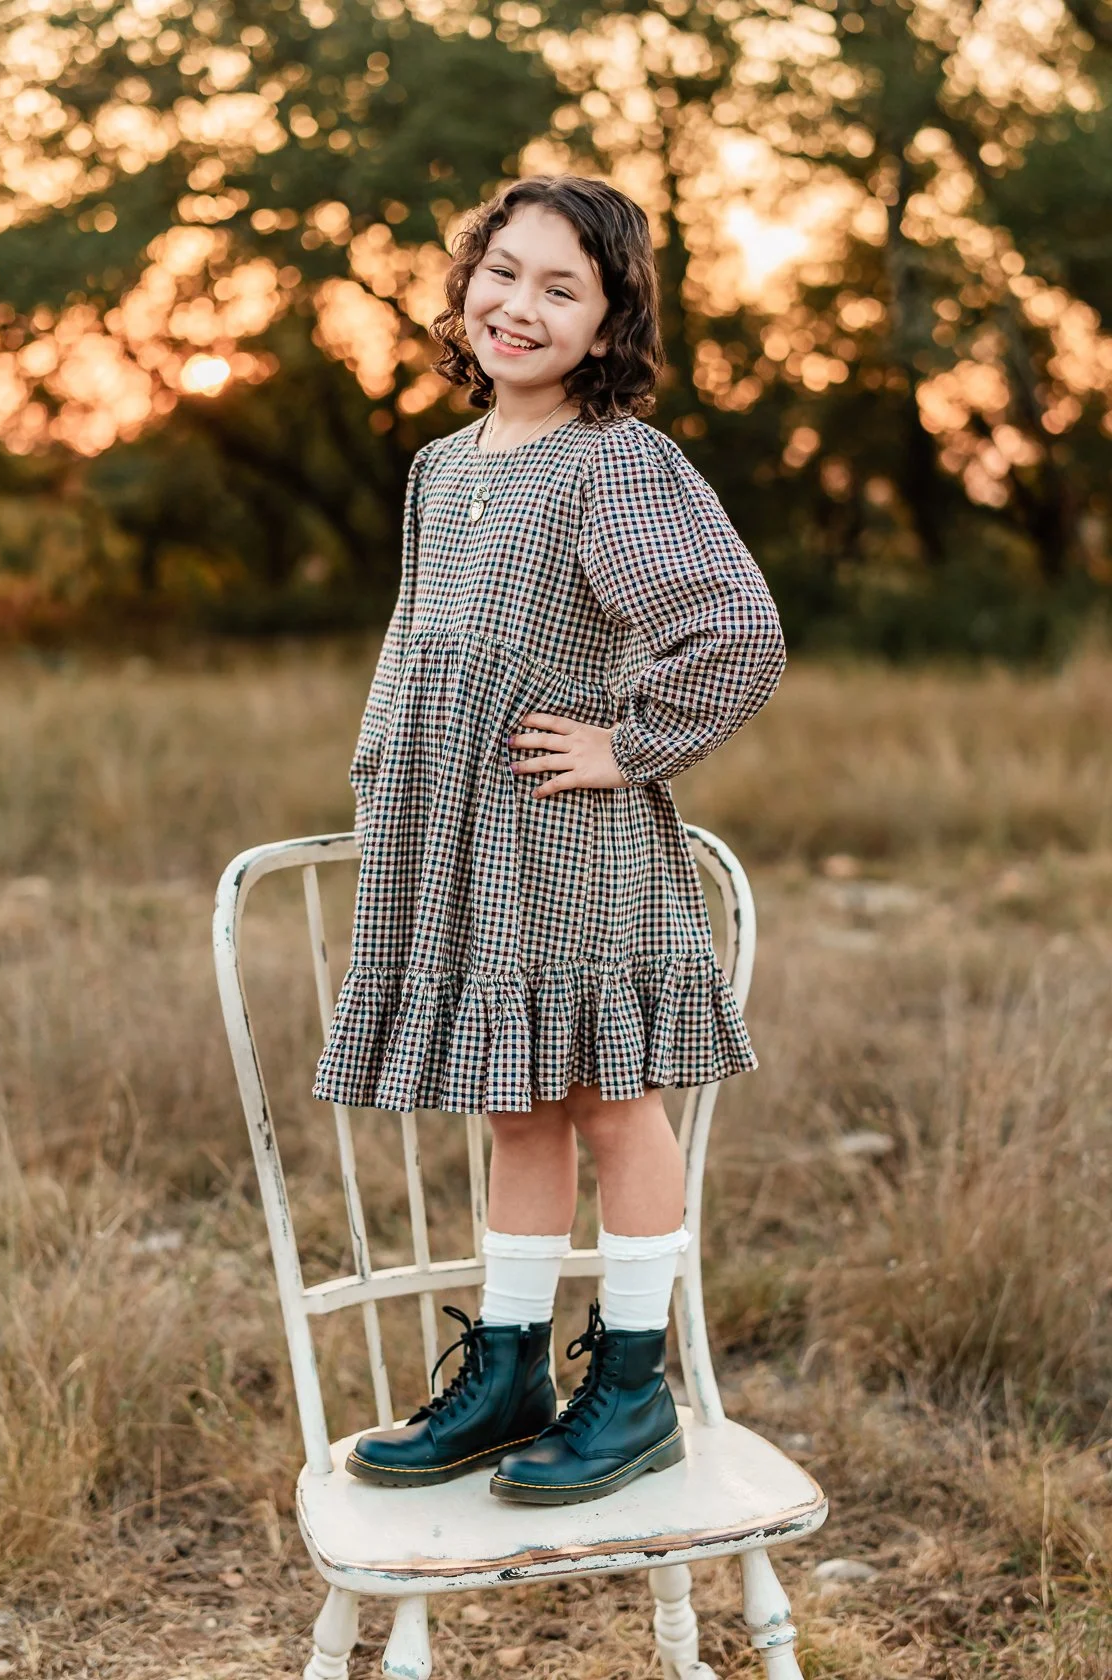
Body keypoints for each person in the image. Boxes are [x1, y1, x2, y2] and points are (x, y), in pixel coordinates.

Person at [313, 174, 786, 1506]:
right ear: (468, 283)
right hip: (461, 850)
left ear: (608, 322)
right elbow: (421, 642)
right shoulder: (440, 468)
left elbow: (737, 635)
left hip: (571, 847)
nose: (519, 306)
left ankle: (631, 1387)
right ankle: (509, 1370)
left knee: (607, 1101)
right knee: (513, 1103)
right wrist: (386, 765)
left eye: (560, 289)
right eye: (502, 272)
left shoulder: (615, 463)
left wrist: (624, 744)